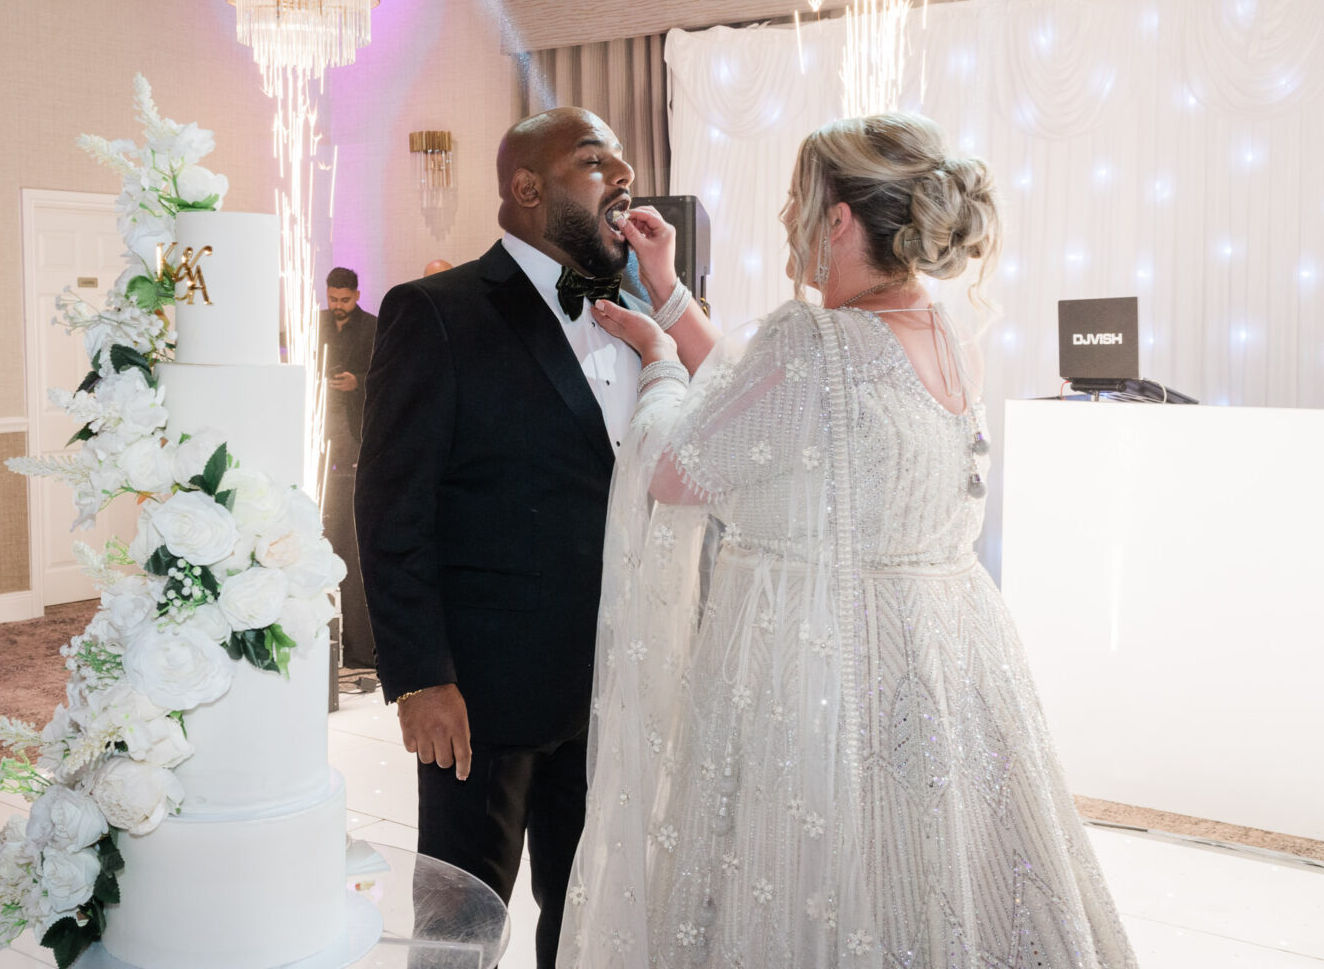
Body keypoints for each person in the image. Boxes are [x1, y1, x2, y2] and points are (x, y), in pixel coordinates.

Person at [558, 112, 1137, 967]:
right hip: (946, 669)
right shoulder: (942, 331)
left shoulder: (810, 339)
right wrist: (672, 294)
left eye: (798, 202)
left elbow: (680, 470)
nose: (787, 221)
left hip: (817, 670)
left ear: (836, 218)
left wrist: (659, 363)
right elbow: (773, 411)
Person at [355, 107, 651, 969]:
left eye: (623, 161)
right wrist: (420, 677)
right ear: (527, 188)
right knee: (461, 922)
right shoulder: (435, 312)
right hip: (482, 695)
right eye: (596, 162)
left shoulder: (636, 311)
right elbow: (390, 507)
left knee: (585, 908)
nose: (622, 177)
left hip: (609, 683)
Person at [318, 266, 377, 669]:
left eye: (344, 300)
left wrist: (358, 381)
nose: (337, 307)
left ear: (356, 295)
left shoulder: (373, 326)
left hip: (355, 433)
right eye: (332, 299)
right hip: (318, 431)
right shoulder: (313, 323)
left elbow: (386, 374)